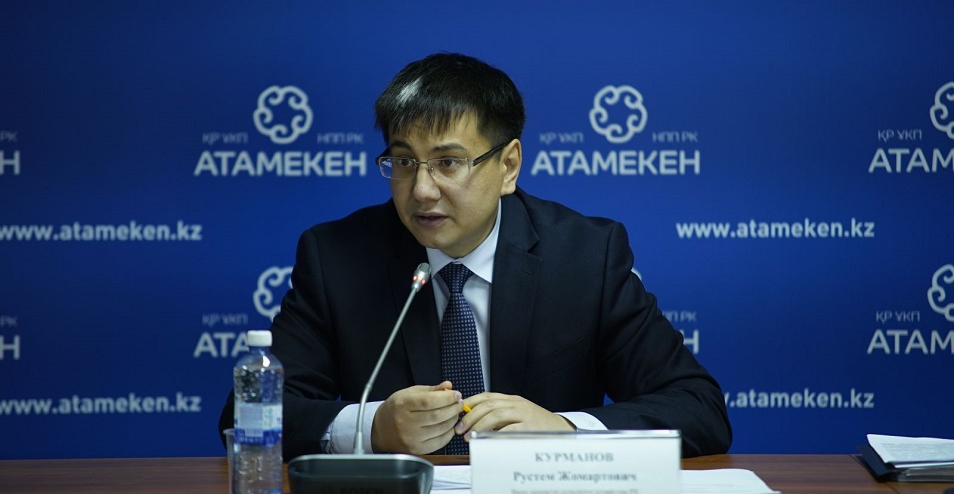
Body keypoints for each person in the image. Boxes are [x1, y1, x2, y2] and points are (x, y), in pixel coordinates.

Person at [219, 52, 732, 459]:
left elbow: (699, 408)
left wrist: (564, 429)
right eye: (403, 161)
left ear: (508, 166)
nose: (422, 190)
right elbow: (246, 416)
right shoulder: (337, 258)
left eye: (448, 162)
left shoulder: (585, 256)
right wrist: (372, 427)